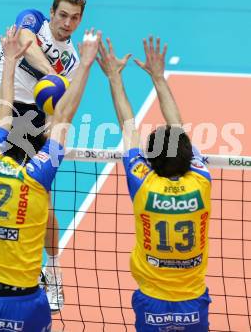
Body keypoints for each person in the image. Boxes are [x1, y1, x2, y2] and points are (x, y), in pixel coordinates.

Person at [0, 25, 100, 332]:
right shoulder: (36, 178)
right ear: (29, 154)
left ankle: (51, 271)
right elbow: (62, 120)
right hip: (25, 296)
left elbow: (3, 112)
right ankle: (48, 274)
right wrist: (86, 66)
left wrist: (10, 61)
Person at [97, 36, 212, 331]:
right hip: (192, 301)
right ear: (187, 156)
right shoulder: (201, 181)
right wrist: (159, 79)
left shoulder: (143, 184)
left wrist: (114, 77)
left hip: (152, 300)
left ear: (151, 160)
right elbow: (178, 129)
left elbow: (128, 126)